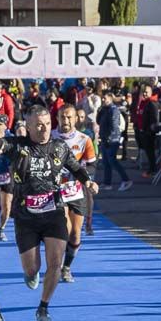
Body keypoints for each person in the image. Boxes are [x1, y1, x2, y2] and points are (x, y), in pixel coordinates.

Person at [0, 105, 98, 321]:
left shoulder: (59, 146)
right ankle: (31, 274)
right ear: (28, 126)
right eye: (38, 125)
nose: (44, 129)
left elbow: (76, 167)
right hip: (26, 216)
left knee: (55, 262)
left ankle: (43, 307)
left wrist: (88, 181)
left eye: (46, 124)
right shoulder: (16, 146)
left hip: (54, 211)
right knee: (32, 269)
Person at [51, 104, 97, 282]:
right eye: (63, 117)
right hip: (56, 190)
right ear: (57, 118)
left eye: (69, 117)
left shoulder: (84, 139)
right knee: (65, 227)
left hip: (76, 189)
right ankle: (55, 264)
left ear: (76, 119)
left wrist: (86, 176)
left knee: (76, 233)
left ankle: (67, 267)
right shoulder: (50, 137)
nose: (66, 121)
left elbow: (92, 164)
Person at [96, 91, 133, 192]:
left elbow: (114, 125)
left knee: (112, 160)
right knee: (105, 162)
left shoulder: (113, 110)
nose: (103, 100)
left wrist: (109, 139)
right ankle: (107, 183)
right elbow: (98, 122)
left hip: (112, 140)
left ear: (110, 99)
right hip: (104, 139)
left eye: (105, 98)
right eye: (102, 98)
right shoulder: (104, 109)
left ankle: (126, 180)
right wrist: (99, 111)